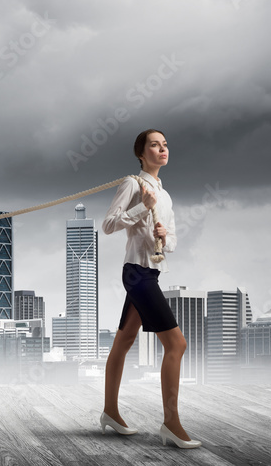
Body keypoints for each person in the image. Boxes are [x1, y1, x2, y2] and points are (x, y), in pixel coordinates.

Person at [98, 128, 201, 449]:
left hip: (151, 273)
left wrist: (163, 234)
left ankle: (110, 412)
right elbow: (109, 225)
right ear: (141, 154)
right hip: (137, 273)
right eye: (154, 145)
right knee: (177, 344)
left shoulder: (166, 196)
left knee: (125, 340)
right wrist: (142, 207)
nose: (162, 149)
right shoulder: (133, 184)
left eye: (165, 145)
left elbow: (171, 242)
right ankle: (171, 423)